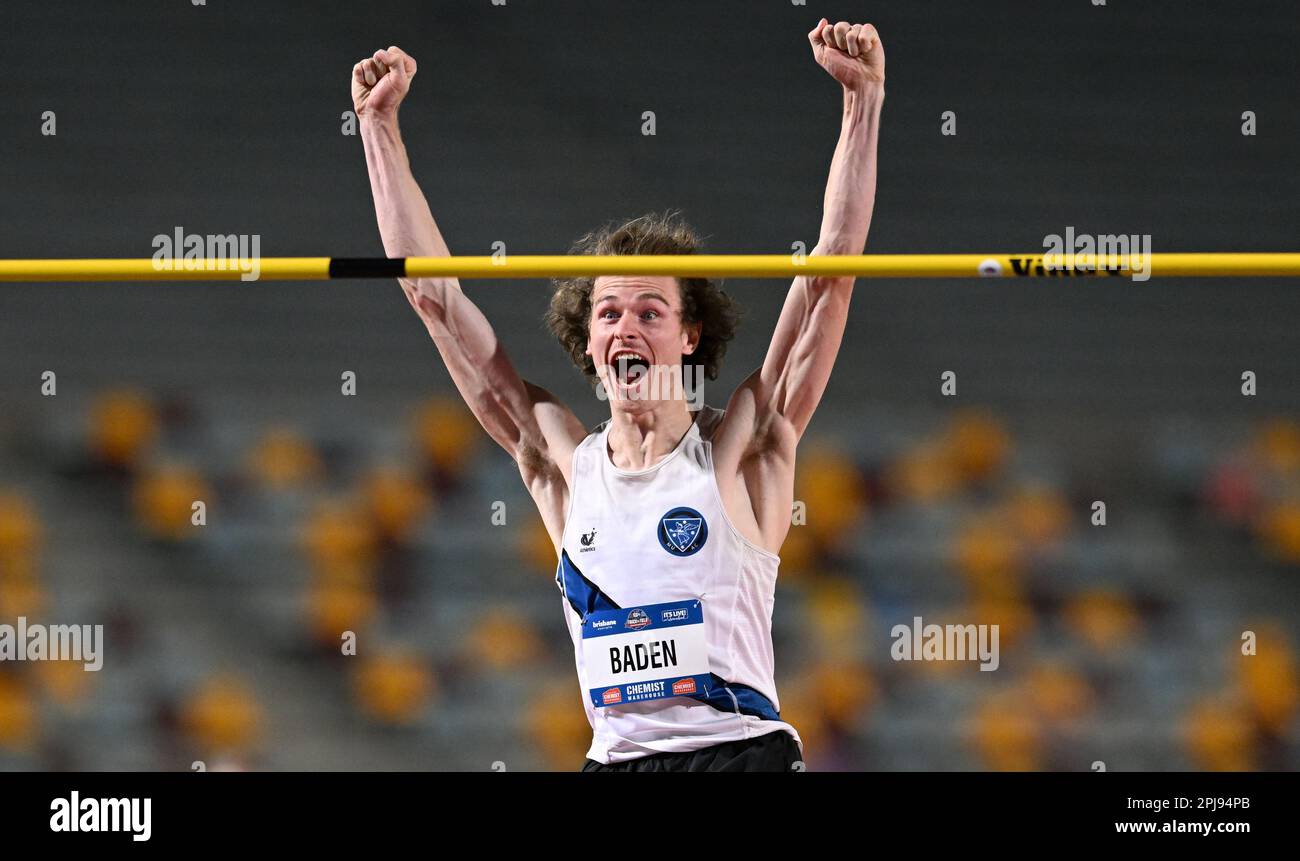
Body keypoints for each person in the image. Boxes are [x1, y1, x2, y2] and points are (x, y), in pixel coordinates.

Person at [352, 17, 884, 772]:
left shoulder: (743, 446)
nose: (624, 326)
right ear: (588, 337)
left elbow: (831, 271)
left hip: (735, 753)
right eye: (608, 312)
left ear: (690, 333)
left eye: (648, 311)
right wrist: (378, 130)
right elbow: (434, 298)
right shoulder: (561, 462)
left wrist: (862, 105)